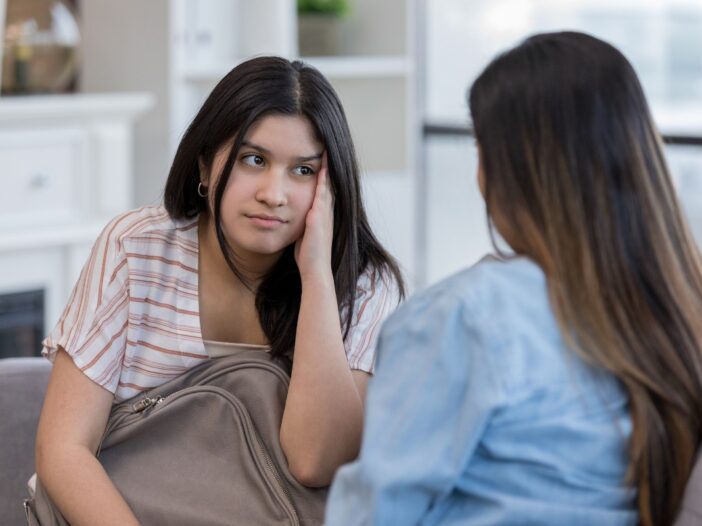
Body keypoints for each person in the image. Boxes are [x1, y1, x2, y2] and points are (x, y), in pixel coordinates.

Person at [325, 31, 702, 526]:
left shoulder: (465, 317)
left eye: (480, 147)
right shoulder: (677, 309)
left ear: (511, 168)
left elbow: (373, 514)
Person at [34, 56, 404, 525]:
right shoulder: (137, 248)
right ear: (206, 165)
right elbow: (63, 448)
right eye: (255, 160)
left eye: (303, 171)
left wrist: (316, 276)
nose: (274, 193)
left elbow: (317, 461)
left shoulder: (364, 285)